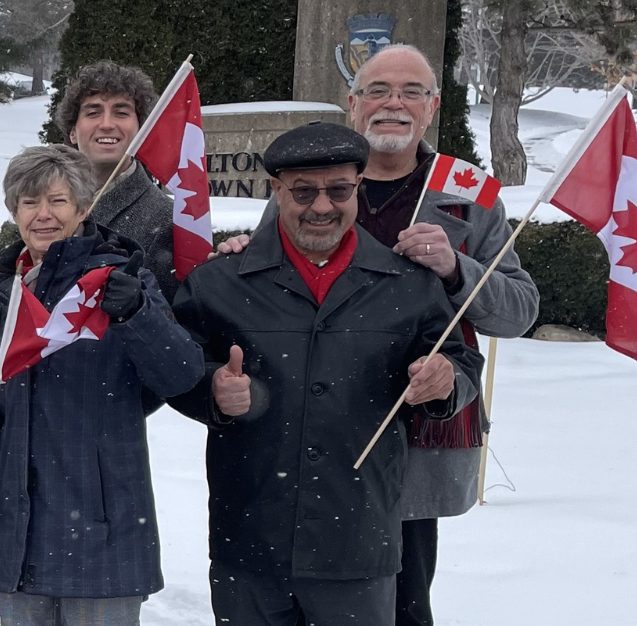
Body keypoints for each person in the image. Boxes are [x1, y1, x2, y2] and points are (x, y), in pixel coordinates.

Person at [216, 45, 539, 625]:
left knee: (405, 598)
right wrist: (247, 257)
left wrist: (456, 269)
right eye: (377, 90)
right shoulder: (316, 180)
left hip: (416, 427)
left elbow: (518, 312)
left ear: (433, 105)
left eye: (411, 91)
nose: (393, 103)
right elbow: (269, 271)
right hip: (312, 427)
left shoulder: (470, 193)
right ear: (353, 102)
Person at [168, 121, 485, 626]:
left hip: (358, 540)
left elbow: (462, 360)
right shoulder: (219, 282)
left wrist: (447, 379)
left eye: (339, 189)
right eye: (303, 191)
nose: (322, 206)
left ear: (358, 187)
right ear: (276, 191)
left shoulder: (408, 284)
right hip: (249, 541)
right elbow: (176, 365)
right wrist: (210, 392)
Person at [0, 145, 204, 626]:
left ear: (83, 207)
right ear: (13, 212)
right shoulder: (2, 293)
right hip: (18, 536)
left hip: (103, 534)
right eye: (29, 202)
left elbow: (182, 374)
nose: (43, 215)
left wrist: (137, 314)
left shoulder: (120, 280)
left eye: (58, 201)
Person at [47, 60, 180, 300]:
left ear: (141, 129)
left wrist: (136, 308)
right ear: (72, 131)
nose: (107, 124)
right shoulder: (41, 208)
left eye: (121, 112)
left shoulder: (168, 220)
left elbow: (178, 327)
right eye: (93, 112)